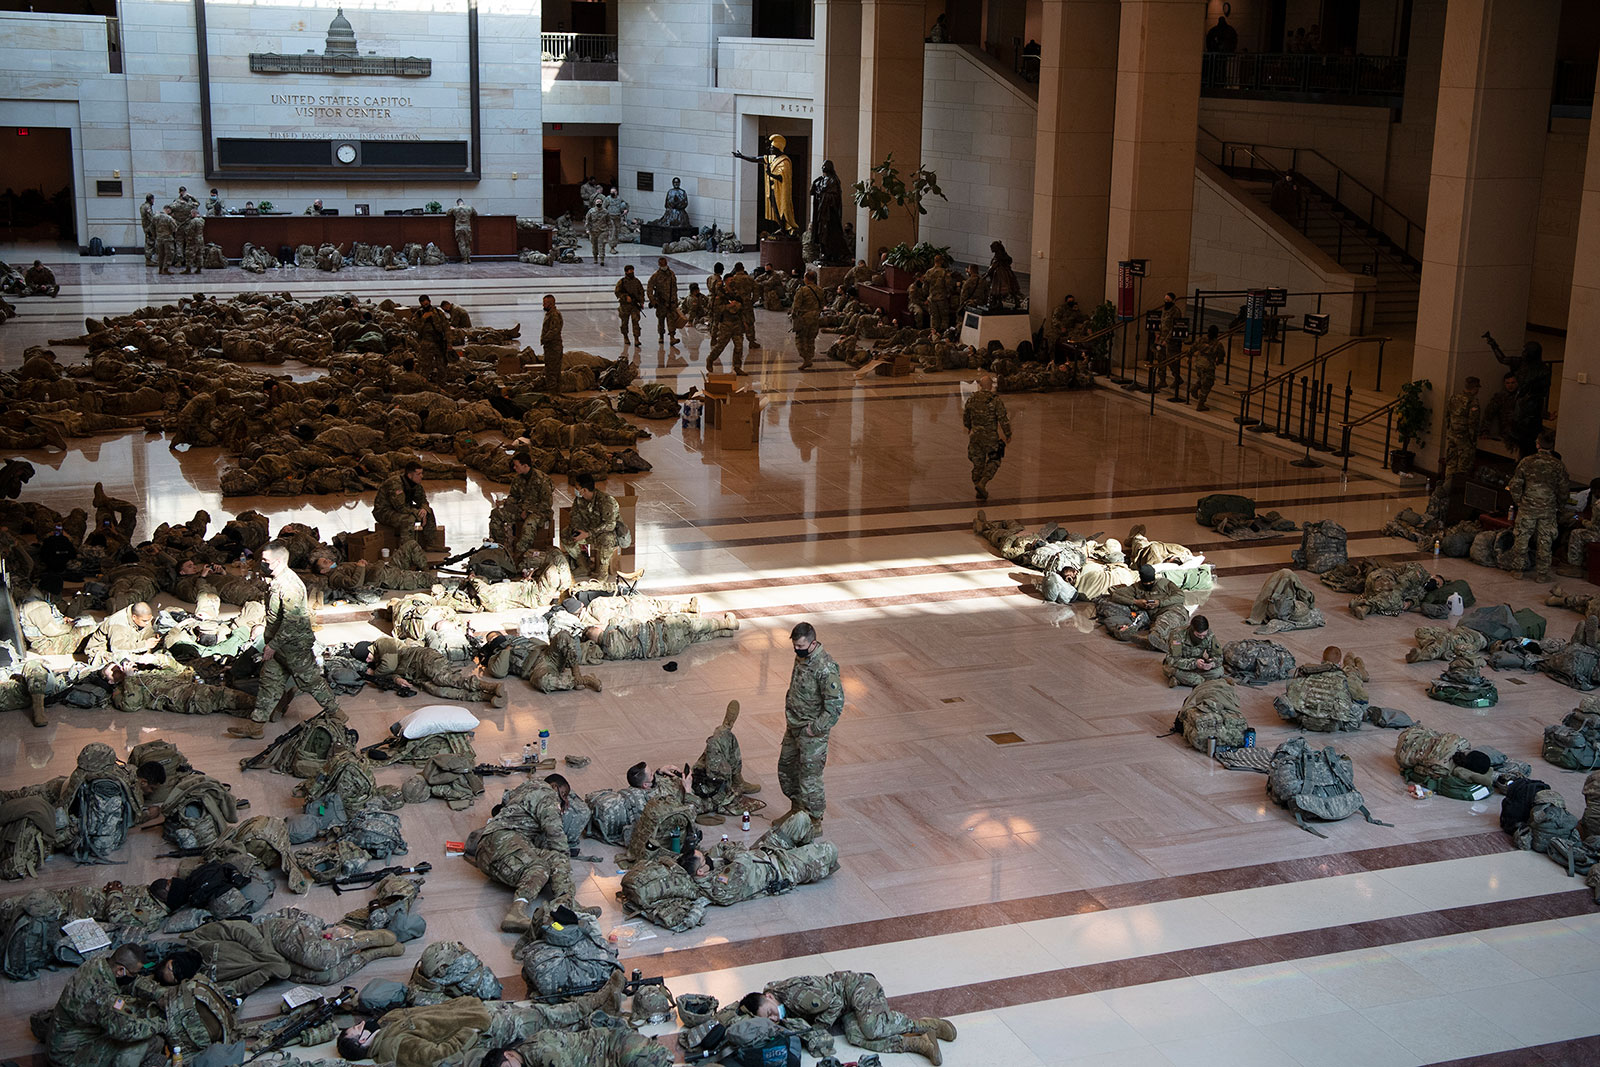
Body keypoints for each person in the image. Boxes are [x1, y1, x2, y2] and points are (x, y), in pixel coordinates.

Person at [227, 542, 341, 739]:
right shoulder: (278, 581)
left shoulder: (290, 586)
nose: (262, 563)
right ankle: (256, 726)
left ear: (278, 561)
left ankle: (337, 714)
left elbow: (292, 622)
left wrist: (272, 645)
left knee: (311, 682)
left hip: (294, 646)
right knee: (268, 682)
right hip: (280, 646)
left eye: (265, 561)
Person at [742, 972, 953, 1064]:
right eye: (768, 1019)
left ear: (769, 997)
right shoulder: (775, 1003)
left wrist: (819, 1029)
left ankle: (924, 1024)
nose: (774, 1018)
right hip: (846, 1008)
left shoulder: (794, 995)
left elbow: (835, 1002)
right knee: (854, 1036)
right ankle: (916, 1044)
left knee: (871, 1029)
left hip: (856, 988)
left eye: (770, 1012)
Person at [469, 775, 590, 932]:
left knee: (555, 858)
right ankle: (515, 914)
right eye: (564, 794)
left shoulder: (525, 788)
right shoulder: (547, 794)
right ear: (554, 787)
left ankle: (566, 903)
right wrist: (564, 862)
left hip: (501, 847)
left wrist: (560, 861)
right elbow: (555, 833)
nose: (565, 800)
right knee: (540, 868)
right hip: (502, 842)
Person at [44, 944, 168, 1067]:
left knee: (134, 1008)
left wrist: (156, 993)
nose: (135, 976)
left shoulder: (99, 964)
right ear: (120, 970)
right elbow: (127, 1031)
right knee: (151, 1042)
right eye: (134, 973)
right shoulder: (103, 996)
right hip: (69, 1056)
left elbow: (132, 982)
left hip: (66, 1036)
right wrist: (161, 1024)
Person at [780, 621, 844, 820]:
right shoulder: (802, 658)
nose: (796, 650)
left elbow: (835, 707)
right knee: (787, 769)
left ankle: (814, 819)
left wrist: (813, 729)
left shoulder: (825, 668)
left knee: (810, 779)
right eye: (794, 646)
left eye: (800, 646)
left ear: (813, 643)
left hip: (811, 732)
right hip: (794, 725)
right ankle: (797, 812)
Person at [1506, 429, 1570, 582]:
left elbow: (1515, 485)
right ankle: (1542, 574)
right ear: (1552, 446)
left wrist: (1519, 501)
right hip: (1548, 509)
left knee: (1522, 537)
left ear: (1537, 444)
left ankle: (1518, 570)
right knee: (1545, 540)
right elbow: (1563, 490)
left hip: (1527, 507)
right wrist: (1559, 506)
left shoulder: (1526, 462)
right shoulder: (1558, 465)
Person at [1430, 376, 1482, 517]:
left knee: (1451, 466)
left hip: (1452, 437)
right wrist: (1472, 440)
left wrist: (1451, 432)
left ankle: (1442, 493)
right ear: (1475, 388)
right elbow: (1472, 424)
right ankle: (1448, 496)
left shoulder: (1454, 398)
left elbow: (1447, 417)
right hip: (1465, 441)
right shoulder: (1473, 402)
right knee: (1462, 471)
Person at [490, 451, 554, 561]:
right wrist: (505, 502)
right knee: (496, 513)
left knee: (529, 524)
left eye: (517, 465)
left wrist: (529, 511)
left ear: (525, 466)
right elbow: (514, 496)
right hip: (522, 507)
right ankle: (499, 547)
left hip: (540, 511)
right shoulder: (518, 478)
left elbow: (546, 504)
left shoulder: (542, 480)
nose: (514, 468)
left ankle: (519, 555)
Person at [732, 134, 797, 234]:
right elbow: (756, 159)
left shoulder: (785, 161)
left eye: (772, 148)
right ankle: (781, 227)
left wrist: (771, 174)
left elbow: (783, 177)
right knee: (775, 209)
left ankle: (787, 228)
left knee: (782, 209)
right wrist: (742, 156)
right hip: (772, 190)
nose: (770, 150)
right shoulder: (771, 158)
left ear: (778, 148)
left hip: (781, 192)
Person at [962, 372, 1012, 500]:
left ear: (979, 385)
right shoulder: (995, 400)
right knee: (994, 460)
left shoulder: (972, 398)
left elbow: (966, 414)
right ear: (991, 386)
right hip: (990, 438)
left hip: (975, 437)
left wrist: (968, 427)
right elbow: (1003, 419)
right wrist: (1008, 434)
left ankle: (978, 487)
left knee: (978, 463)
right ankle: (983, 483)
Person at [563, 473, 621, 580]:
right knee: (566, 534)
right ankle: (583, 565)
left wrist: (588, 533)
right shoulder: (579, 500)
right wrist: (577, 530)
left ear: (584, 490)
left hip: (603, 533)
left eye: (577, 488)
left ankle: (603, 573)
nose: (575, 490)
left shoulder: (606, 501)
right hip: (587, 531)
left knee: (607, 539)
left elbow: (610, 525)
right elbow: (574, 516)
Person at [374, 461, 434, 549]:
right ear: (410, 475)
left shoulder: (415, 484)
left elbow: (423, 501)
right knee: (409, 519)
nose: (422, 476)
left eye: (422, 473)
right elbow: (400, 507)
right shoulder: (395, 483)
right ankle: (406, 550)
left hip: (401, 509)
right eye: (418, 474)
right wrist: (417, 512)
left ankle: (431, 544)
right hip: (384, 511)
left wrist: (424, 509)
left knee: (428, 511)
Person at [1162, 614, 1223, 688]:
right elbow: (1174, 660)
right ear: (1191, 630)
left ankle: (1181, 680)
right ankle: (1196, 680)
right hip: (1180, 666)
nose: (1202, 638)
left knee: (1219, 671)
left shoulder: (1209, 635)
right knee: (1173, 670)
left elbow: (1218, 656)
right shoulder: (1177, 635)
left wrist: (1211, 664)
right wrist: (1194, 663)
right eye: (1199, 635)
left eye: (1204, 635)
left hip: (1199, 665)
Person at [790, 269, 824, 369]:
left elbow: (796, 306)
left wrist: (793, 316)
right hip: (815, 317)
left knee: (800, 339)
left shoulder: (802, 290)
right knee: (811, 339)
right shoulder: (820, 290)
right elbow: (822, 304)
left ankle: (806, 359)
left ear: (806, 279)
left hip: (804, 318)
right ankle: (809, 358)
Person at [413, 293, 452, 376]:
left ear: (430, 302)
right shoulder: (418, 314)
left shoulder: (438, 312)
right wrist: (423, 318)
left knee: (442, 367)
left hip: (439, 342)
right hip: (426, 344)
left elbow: (446, 328)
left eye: (426, 303)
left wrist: (449, 343)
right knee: (425, 367)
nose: (425, 305)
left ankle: (442, 384)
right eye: (423, 304)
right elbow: (416, 329)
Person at [646, 256, 679, 344]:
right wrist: (653, 301)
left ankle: (672, 337)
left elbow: (675, 288)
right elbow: (649, 289)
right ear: (659, 264)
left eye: (664, 263)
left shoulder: (671, 274)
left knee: (671, 320)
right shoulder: (656, 276)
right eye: (661, 264)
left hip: (671, 303)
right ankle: (661, 336)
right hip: (661, 303)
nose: (663, 265)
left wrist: (675, 301)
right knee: (661, 321)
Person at [1191, 325, 1223, 410]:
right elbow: (1221, 356)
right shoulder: (1218, 344)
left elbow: (1192, 348)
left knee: (1202, 377)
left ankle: (1195, 387)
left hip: (1199, 363)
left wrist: (1189, 356)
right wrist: (1218, 362)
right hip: (1208, 365)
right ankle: (1200, 404)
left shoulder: (1201, 339)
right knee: (1208, 384)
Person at [1154, 291, 1182, 389]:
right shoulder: (1164, 310)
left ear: (1173, 300)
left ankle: (1177, 378)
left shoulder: (1176, 311)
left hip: (1171, 341)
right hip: (1161, 339)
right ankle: (1162, 380)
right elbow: (1160, 323)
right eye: (1165, 300)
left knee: (1171, 361)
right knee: (1160, 359)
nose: (1166, 302)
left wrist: (1167, 339)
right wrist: (1157, 334)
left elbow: (1174, 327)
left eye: (1168, 300)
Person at [614, 264, 645, 346]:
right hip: (625, 306)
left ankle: (636, 339)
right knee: (624, 322)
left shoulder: (637, 281)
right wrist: (625, 297)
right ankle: (625, 337)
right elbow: (617, 293)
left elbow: (641, 292)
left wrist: (641, 302)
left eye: (632, 270)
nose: (632, 272)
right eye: (630, 271)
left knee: (636, 322)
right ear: (626, 272)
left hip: (635, 305)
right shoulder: (622, 282)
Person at [540, 292, 564, 392]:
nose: (543, 305)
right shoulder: (550, 314)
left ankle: (553, 394)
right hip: (551, 347)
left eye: (545, 303)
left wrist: (545, 338)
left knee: (552, 372)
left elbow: (554, 330)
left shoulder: (554, 315)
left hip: (553, 347)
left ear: (551, 304)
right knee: (552, 371)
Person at [448, 197, 477, 262]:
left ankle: (465, 259)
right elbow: (475, 214)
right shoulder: (470, 208)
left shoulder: (455, 208)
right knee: (467, 244)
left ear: (458, 203)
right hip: (467, 228)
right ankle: (469, 258)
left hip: (459, 228)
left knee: (462, 244)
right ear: (463, 202)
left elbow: (448, 213)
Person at [152, 205, 178, 274]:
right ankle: (165, 268)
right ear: (168, 210)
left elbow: (151, 228)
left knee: (161, 254)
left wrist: (155, 236)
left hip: (159, 238)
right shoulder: (169, 218)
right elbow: (174, 229)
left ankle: (160, 269)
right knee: (169, 254)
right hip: (168, 239)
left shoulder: (155, 217)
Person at [603, 186, 628, 253]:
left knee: (617, 232)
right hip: (610, 217)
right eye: (611, 192)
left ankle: (614, 245)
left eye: (614, 192)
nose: (613, 193)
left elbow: (625, 204)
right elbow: (603, 207)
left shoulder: (619, 199)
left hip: (618, 217)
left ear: (616, 192)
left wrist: (626, 210)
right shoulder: (607, 199)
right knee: (612, 231)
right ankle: (612, 247)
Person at [584, 197, 608, 266]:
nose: (599, 203)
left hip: (602, 231)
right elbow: (587, 221)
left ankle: (602, 259)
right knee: (594, 246)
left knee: (601, 245)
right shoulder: (591, 211)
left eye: (600, 202)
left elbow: (609, 221)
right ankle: (595, 258)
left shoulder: (605, 212)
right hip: (593, 231)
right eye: (597, 202)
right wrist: (587, 229)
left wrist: (609, 230)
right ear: (595, 203)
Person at [139, 192, 157, 265]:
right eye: (153, 199)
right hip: (149, 227)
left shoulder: (142, 206)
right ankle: (148, 260)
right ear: (151, 199)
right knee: (150, 243)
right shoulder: (147, 207)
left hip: (145, 226)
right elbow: (151, 218)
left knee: (148, 242)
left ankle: (148, 259)